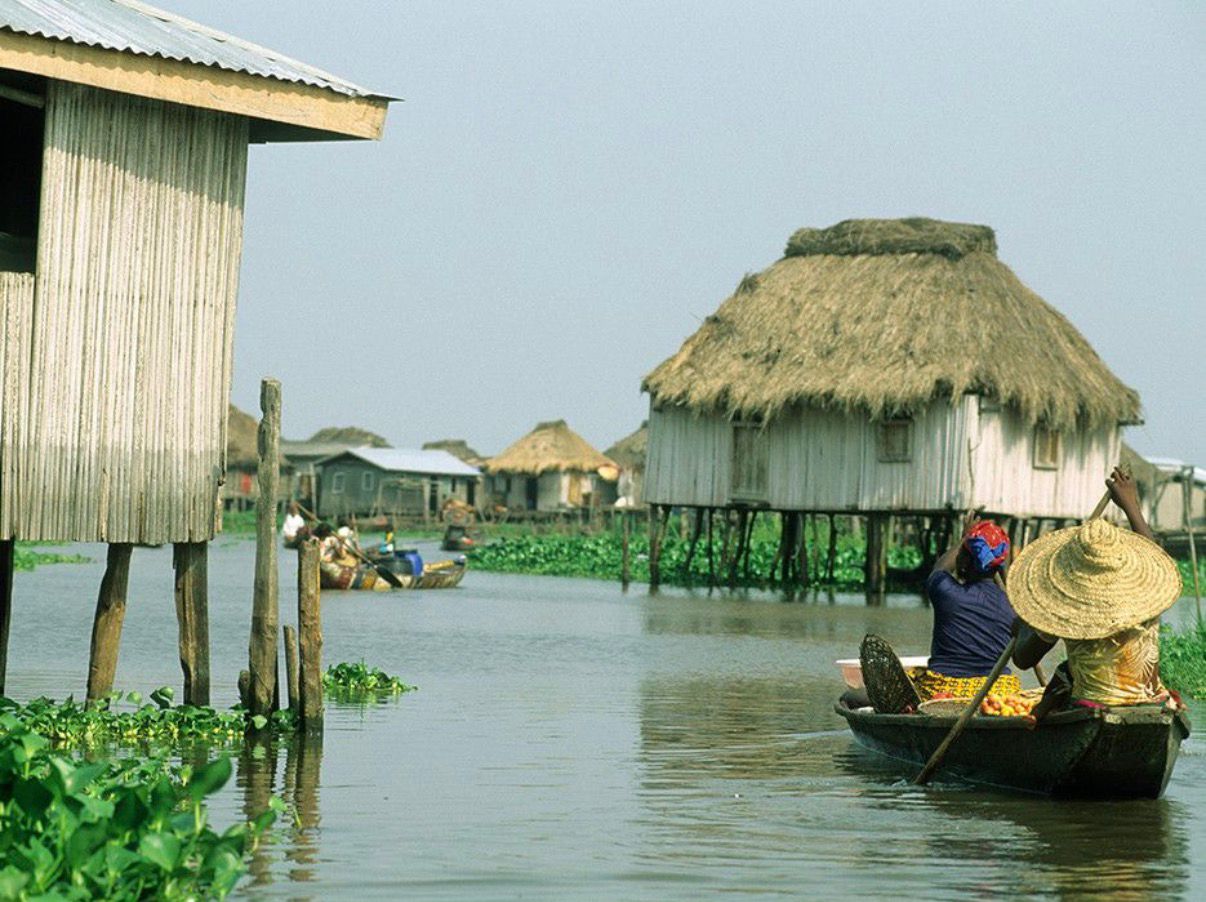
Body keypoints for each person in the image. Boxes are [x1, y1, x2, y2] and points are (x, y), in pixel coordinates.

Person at [1011, 468, 1182, 712]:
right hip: (1152, 701)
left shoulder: (1066, 606)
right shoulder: (1145, 600)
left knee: (1060, 681)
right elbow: (1156, 555)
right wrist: (1131, 506)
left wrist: (1020, 630)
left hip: (1094, 704)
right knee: (1065, 672)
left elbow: (1024, 659)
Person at [913, 518, 1020, 700]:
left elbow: (940, 569)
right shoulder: (1015, 607)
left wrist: (964, 538)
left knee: (852, 698)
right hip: (996, 694)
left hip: (945, 692)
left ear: (964, 559)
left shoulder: (947, 593)